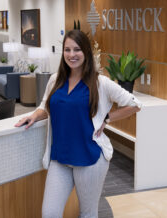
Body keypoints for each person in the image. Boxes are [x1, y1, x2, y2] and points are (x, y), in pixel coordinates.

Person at [15, 30, 142, 218]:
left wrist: (107, 119)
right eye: (67, 49)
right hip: (60, 158)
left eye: (77, 49)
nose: (71, 54)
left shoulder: (100, 83)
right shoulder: (55, 79)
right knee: (50, 213)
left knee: (87, 214)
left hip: (90, 159)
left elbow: (135, 104)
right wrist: (35, 116)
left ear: (86, 52)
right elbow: (45, 106)